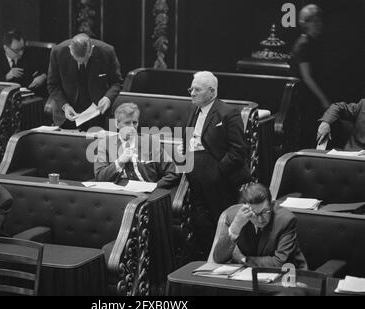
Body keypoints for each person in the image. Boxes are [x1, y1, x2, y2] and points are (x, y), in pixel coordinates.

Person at [183, 71, 250, 259]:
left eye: (197, 89)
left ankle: (225, 261)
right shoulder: (193, 109)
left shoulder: (228, 113)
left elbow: (239, 151)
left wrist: (217, 172)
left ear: (212, 92)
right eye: (191, 89)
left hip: (220, 181)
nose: (192, 93)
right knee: (201, 224)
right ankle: (204, 260)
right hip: (195, 178)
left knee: (219, 224)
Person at [210, 183, 308, 269]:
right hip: (247, 278)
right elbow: (219, 258)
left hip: (287, 278)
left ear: (272, 204)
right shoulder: (233, 216)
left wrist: (243, 259)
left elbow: (279, 263)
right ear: (244, 208)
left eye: (265, 212)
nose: (260, 220)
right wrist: (235, 227)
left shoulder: (286, 220)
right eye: (254, 214)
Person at [47, 33, 123, 131]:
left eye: (84, 60)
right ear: (70, 49)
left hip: (97, 116)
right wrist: (65, 106)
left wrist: (107, 98)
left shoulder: (107, 51)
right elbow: (52, 85)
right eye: (76, 59)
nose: (81, 63)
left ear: (91, 50)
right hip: (66, 116)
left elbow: (117, 82)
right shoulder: (57, 52)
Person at [94, 103, 179, 189]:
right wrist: (120, 161)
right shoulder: (104, 144)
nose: (132, 127)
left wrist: (154, 187)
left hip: (146, 196)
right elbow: (100, 178)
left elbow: (173, 173)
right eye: (127, 123)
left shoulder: (151, 142)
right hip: (116, 195)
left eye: (134, 123)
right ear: (117, 124)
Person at [291, 4, 330, 148]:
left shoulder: (312, 43)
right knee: (308, 138)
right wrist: (323, 99)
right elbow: (307, 77)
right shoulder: (304, 44)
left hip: (310, 99)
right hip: (305, 100)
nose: (320, 24)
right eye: (316, 21)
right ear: (305, 23)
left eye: (320, 20)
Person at [0, 29, 48, 97]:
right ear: (6, 48)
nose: (21, 53)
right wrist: (6, 77)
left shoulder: (31, 54)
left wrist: (43, 76)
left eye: (22, 48)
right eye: (17, 50)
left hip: (28, 98)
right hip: (3, 97)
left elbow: (47, 68)